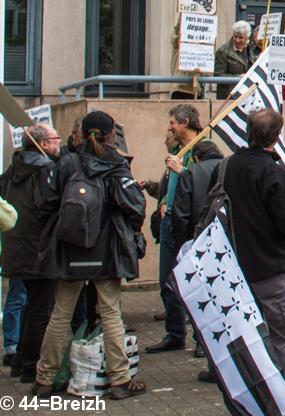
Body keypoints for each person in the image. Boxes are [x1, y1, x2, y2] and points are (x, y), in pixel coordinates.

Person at [32, 111, 147, 400]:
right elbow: (135, 205)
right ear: (111, 134)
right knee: (110, 313)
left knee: (60, 314)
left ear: (81, 133)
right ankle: (120, 380)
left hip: (69, 248)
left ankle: (44, 379)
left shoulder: (65, 163)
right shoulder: (116, 165)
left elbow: (45, 205)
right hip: (106, 251)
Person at [222, 109, 285, 413]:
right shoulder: (274, 173)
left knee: (254, 340)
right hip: (271, 267)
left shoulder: (231, 165)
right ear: (276, 137)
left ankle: (261, 399)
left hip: (240, 266)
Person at [0, 124, 60, 384]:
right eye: (54, 138)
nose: (59, 142)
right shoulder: (45, 170)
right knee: (40, 308)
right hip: (37, 248)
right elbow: (46, 207)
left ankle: (18, 359)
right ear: (43, 144)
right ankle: (29, 366)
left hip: (15, 247)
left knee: (25, 302)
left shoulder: (12, 170)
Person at [147, 103, 203, 355]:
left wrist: (184, 171)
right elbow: (167, 183)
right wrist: (160, 201)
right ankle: (174, 333)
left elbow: (206, 179)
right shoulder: (179, 151)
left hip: (188, 224)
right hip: (170, 221)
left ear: (185, 123)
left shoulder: (201, 149)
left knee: (194, 283)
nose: (169, 128)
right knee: (166, 281)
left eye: (173, 123)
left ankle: (201, 338)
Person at [169, 139, 223, 246]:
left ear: (197, 158)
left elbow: (181, 216)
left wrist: (181, 246)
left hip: (197, 242)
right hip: (226, 242)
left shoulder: (191, 173)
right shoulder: (231, 168)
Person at [213, 21, 257, 98]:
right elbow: (218, 75)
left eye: (241, 37)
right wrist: (238, 77)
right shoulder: (223, 51)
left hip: (246, 94)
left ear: (247, 37)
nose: (237, 40)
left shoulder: (250, 48)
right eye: (235, 36)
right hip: (228, 97)